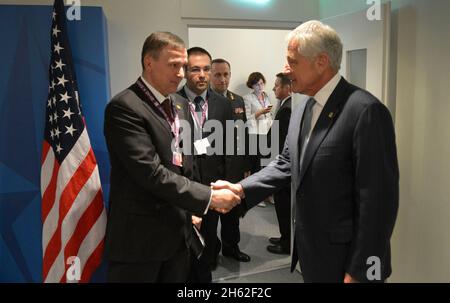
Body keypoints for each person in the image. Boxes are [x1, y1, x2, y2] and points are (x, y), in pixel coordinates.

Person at [212, 20, 399, 283]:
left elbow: (378, 203)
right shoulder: (303, 108)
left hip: (348, 261)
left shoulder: (365, 112)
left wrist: (361, 272)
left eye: (293, 62)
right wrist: (241, 189)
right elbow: (286, 163)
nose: (285, 70)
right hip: (312, 254)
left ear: (321, 61)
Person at [103, 32, 240, 283]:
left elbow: (186, 163)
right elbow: (151, 173)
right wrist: (207, 197)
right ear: (149, 63)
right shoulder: (125, 107)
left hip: (178, 235)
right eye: (173, 65)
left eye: (182, 66)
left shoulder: (178, 104)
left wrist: (190, 209)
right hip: (141, 242)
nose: (180, 74)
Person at [177, 47, 233, 282]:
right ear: (185, 71)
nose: (202, 75)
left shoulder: (222, 103)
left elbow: (231, 145)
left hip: (213, 184)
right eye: (195, 69)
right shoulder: (172, 101)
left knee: (209, 237)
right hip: (182, 184)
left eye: (206, 69)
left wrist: (230, 180)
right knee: (183, 242)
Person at [210, 58, 251, 263]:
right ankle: (210, 252)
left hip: (233, 165)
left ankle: (230, 247)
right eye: (217, 75)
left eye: (226, 74)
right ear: (210, 76)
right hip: (210, 167)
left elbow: (242, 135)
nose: (222, 79)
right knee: (210, 215)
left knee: (233, 211)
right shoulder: (202, 102)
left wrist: (245, 166)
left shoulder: (238, 100)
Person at [266, 72, 292, 255]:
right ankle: (284, 237)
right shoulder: (284, 105)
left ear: (287, 87)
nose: (274, 88)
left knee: (284, 206)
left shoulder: (288, 109)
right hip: (279, 164)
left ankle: (287, 243)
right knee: (281, 205)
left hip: (282, 167)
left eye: (277, 85)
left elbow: (282, 142)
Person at [243, 72, 274, 207]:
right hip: (255, 133)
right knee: (256, 166)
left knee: (268, 164)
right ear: (251, 85)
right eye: (256, 84)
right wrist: (261, 112)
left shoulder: (266, 96)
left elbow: (270, 116)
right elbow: (247, 118)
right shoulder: (247, 98)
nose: (260, 86)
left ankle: (267, 194)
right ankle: (256, 197)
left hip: (268, 132)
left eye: (261, 83)